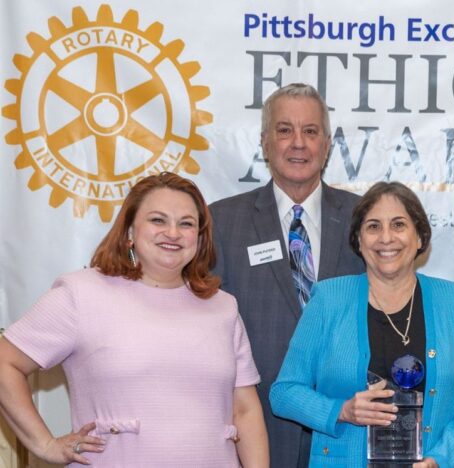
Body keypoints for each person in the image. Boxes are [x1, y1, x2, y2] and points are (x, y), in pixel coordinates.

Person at [0, 172, 268, 467]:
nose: (173, 233)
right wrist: (44, 444)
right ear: (129, 232)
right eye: (158, 220)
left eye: (186, 223)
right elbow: (5, 362)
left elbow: (244, 410)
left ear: (201, 238)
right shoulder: (81, 293)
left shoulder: (223, 307)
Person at [269, 181, 454, 467]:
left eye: (399, 225)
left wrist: (441, 459)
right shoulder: (328, 299)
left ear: (420, 238)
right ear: (359, 241)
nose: (386, 238)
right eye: (373, 227)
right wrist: (342, 411)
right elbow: (284, 393)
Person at [209, 83, 363, 467]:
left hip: (347, 429)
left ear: (327, 144)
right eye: (284, 130)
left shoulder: (367, 220)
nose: (298, 143)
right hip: (256, 427)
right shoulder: (220, 222)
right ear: (264, 142)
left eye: (310, 131)